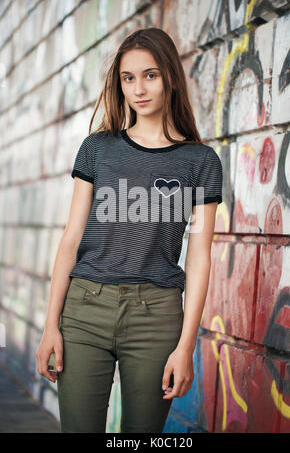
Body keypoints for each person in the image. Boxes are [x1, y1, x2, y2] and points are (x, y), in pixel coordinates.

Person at [36, 27, 223, 433]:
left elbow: (200, 255)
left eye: (150, 75)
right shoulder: (97, 149)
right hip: (85, 310)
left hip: (156, 318)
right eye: (128, 78)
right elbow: (70, 239)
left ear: (170, 77)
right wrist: (51, 324)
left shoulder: (201, 161)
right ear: (119, 84)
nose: (139, 88)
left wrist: (186, 344)